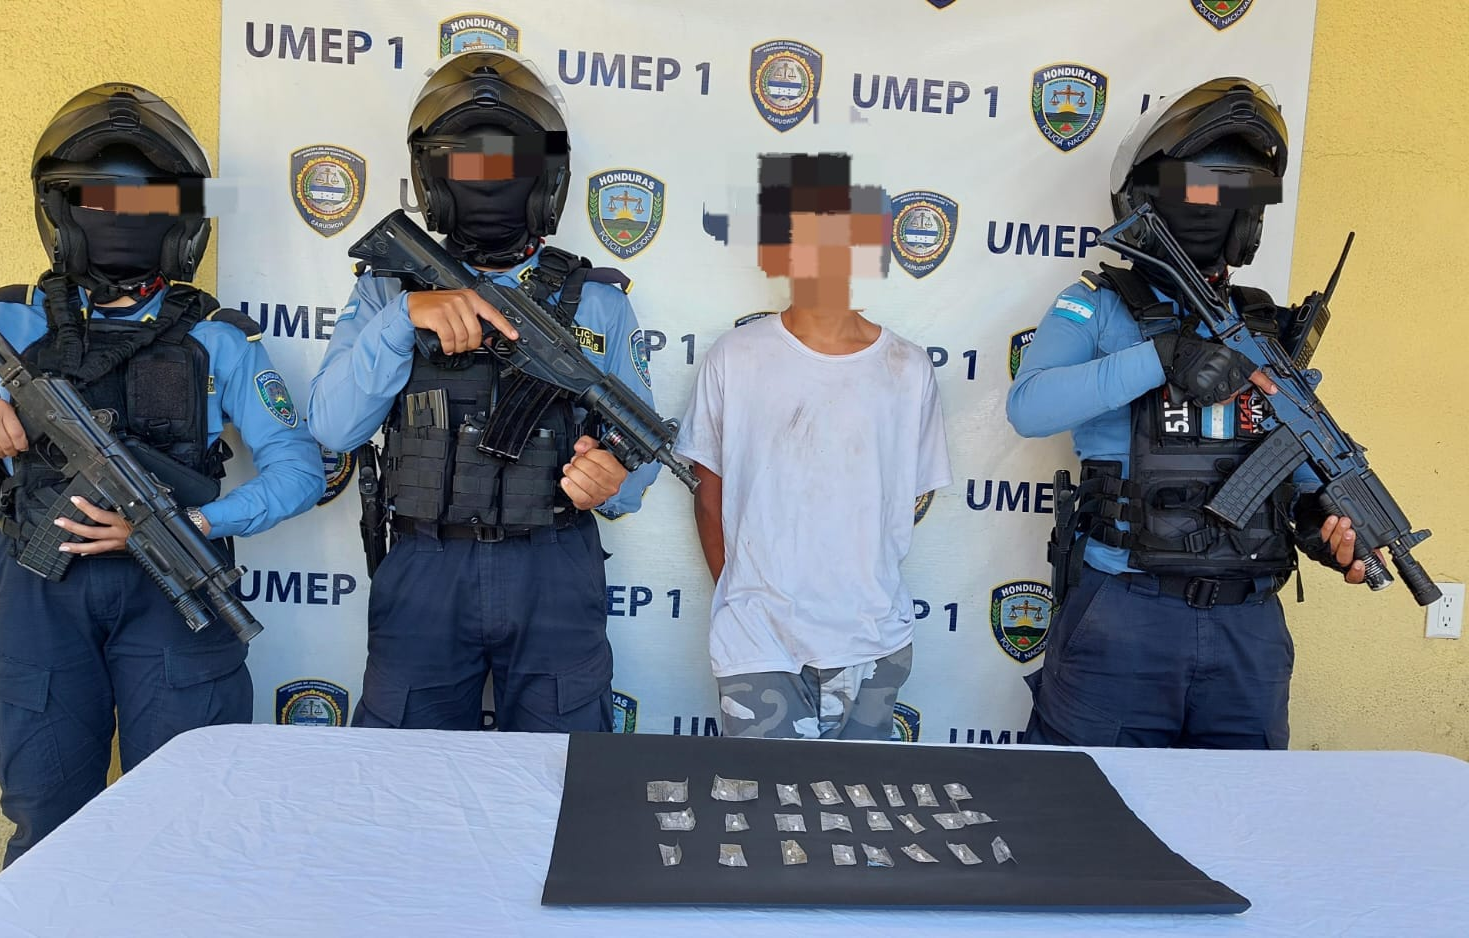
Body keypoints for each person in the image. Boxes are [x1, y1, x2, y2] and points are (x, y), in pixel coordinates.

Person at [0, 83, 325, 865]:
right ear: (60, 211)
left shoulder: (218, 337)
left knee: (190, 828)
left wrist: (196, 524)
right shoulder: (0, 322)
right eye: (98, 200)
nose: (123, 217)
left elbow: (299, 470)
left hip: (173, 588)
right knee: (49, 828)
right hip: (39, 593)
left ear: (184, 218)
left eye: (150, 200)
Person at [1007, 78, 1378, 750]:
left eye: (1235, 191)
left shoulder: (1267, 328)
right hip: (1125, 615)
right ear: (1148, 197)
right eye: (1197, 188)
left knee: (1241, 814)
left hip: (1248, 630)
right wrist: (1164, 356)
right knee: (1085, 805)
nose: (1213, 208)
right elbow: (1030, 407)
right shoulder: (1095, 304)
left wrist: (1326, 526)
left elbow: (1297, 470)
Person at [308, 50, 658, 732]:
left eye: (510, 162)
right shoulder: (387, 289)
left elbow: (636, 464)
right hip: (425, 565)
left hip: (553, 565)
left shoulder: (598, 302)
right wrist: (404, 319)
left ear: (546, 178)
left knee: (562, 774)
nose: (490, 179)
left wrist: (612, 477)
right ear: (431, 178)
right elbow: (332, 427)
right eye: (467, 162)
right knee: (402, 775)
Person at [674, 153, 952, 740]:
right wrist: (747, 597)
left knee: (857, 799)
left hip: (873, 640)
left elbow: (906, 499)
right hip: (758, 643)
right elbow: (708, 493)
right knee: (764, 798)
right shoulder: (736, 356)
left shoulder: (907, 368)